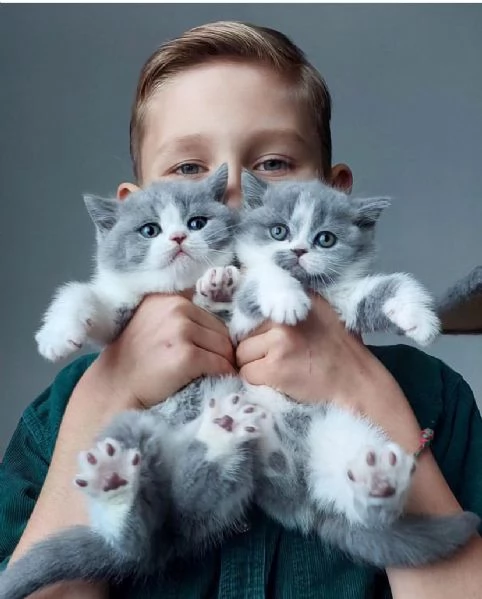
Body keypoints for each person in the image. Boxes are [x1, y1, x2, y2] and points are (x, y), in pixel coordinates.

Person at [1, 20, 481, 599]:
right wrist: (108, 396)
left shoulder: (433, 397)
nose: (230, 191)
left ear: (336, 196)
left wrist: (365, 393)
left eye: (273, 163)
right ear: (130, 213)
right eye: (186, 168)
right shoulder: (61, 414)